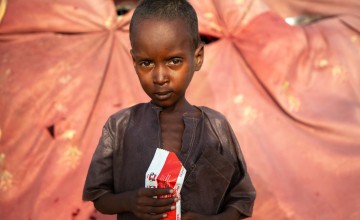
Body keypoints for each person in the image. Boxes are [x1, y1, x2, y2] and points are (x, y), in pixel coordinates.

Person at [82, 0, 256, 219]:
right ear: (134, 62)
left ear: (197, 57)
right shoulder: (119, 126)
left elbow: (241, 199)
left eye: (174, 61)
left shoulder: (216, 128)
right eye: (146, 63)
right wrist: (130, 201)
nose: (160, 77)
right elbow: (99, 196)